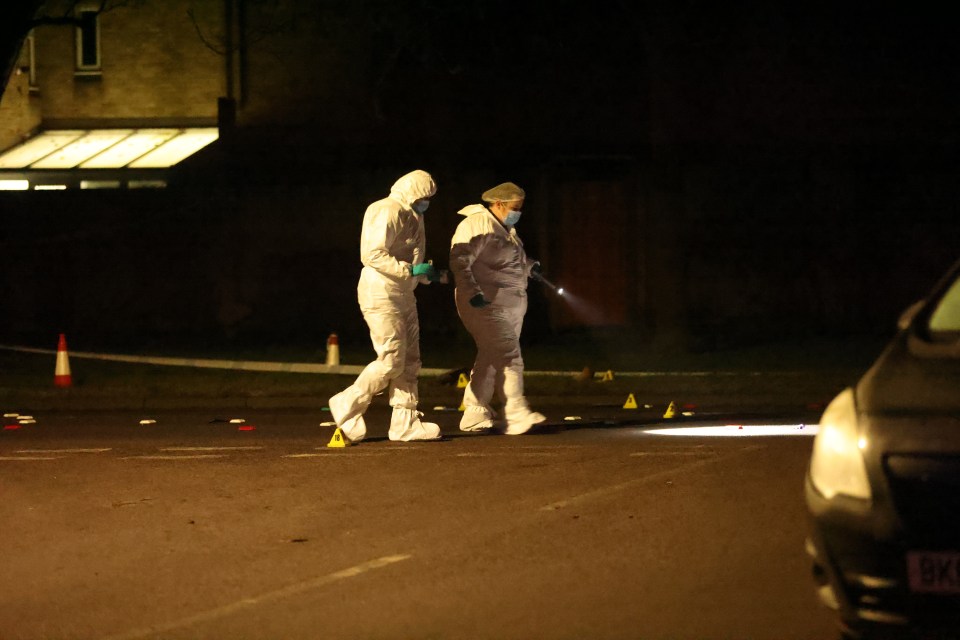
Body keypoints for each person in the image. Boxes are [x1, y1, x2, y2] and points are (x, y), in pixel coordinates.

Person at [328, 170, 444, 442]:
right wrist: (409, 270)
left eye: (429, 198)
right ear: (412, 191)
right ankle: (347, 403)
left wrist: (424, 273)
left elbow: (413, 256)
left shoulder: (415, 215)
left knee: (410, 360)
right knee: (392, 359)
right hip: (380, 291)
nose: (426, 202)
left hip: (404, 293)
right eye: (424, 197)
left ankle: (406, 422)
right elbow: (372, 254)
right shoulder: (386, 209)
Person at [449, 181, 546, 435]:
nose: (518, 212)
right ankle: (516, 413)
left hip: (508, 305)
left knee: (490, 357)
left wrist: (530, 266)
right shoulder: (477, 224)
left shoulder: (506, 230)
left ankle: (475, 410)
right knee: (509, 356)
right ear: (499, 204)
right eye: (515, 207)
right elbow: (460, 261)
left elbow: (511, 262)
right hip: (485, 304)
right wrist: (473, 293)